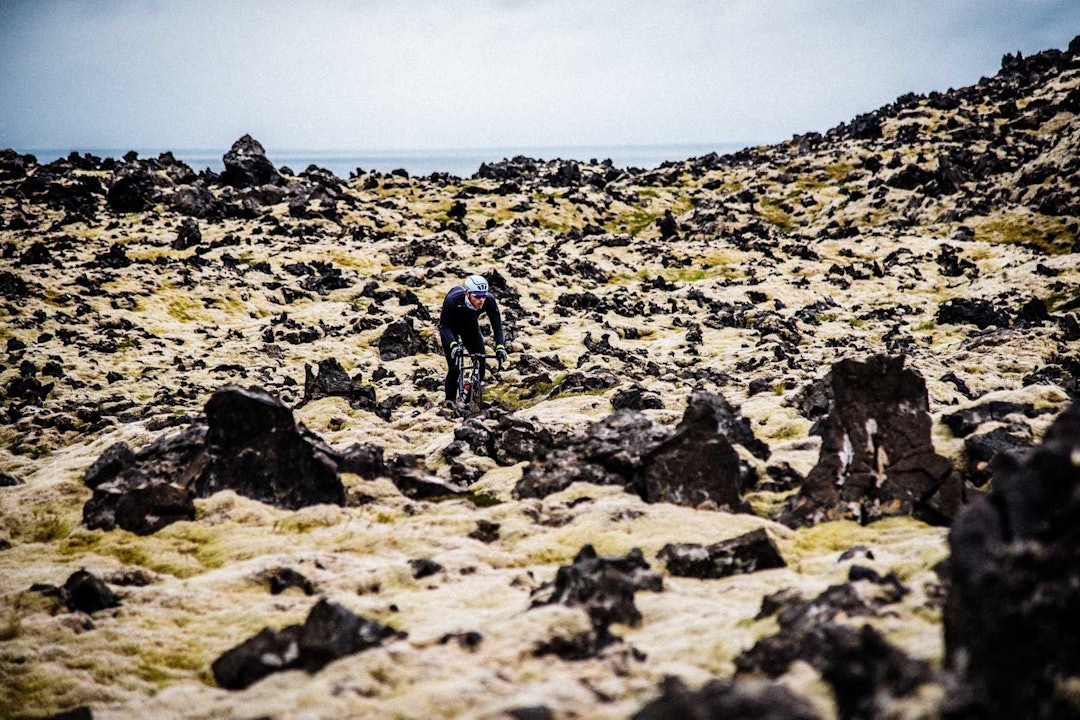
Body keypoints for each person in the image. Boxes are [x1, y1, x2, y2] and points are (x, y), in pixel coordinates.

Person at [437, 274, 508, 404]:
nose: (481, 300)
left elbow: (497, 326)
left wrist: (500, 347)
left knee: (480, 366)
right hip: (450, 329)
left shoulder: (489, 300)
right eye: (477, 296)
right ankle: (449, 403)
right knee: (454, 369)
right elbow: (444, 326)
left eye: (483, 296)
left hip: (470, 328)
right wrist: (453, 345)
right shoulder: (453, 300)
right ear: (467, 293)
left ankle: (468, 396)